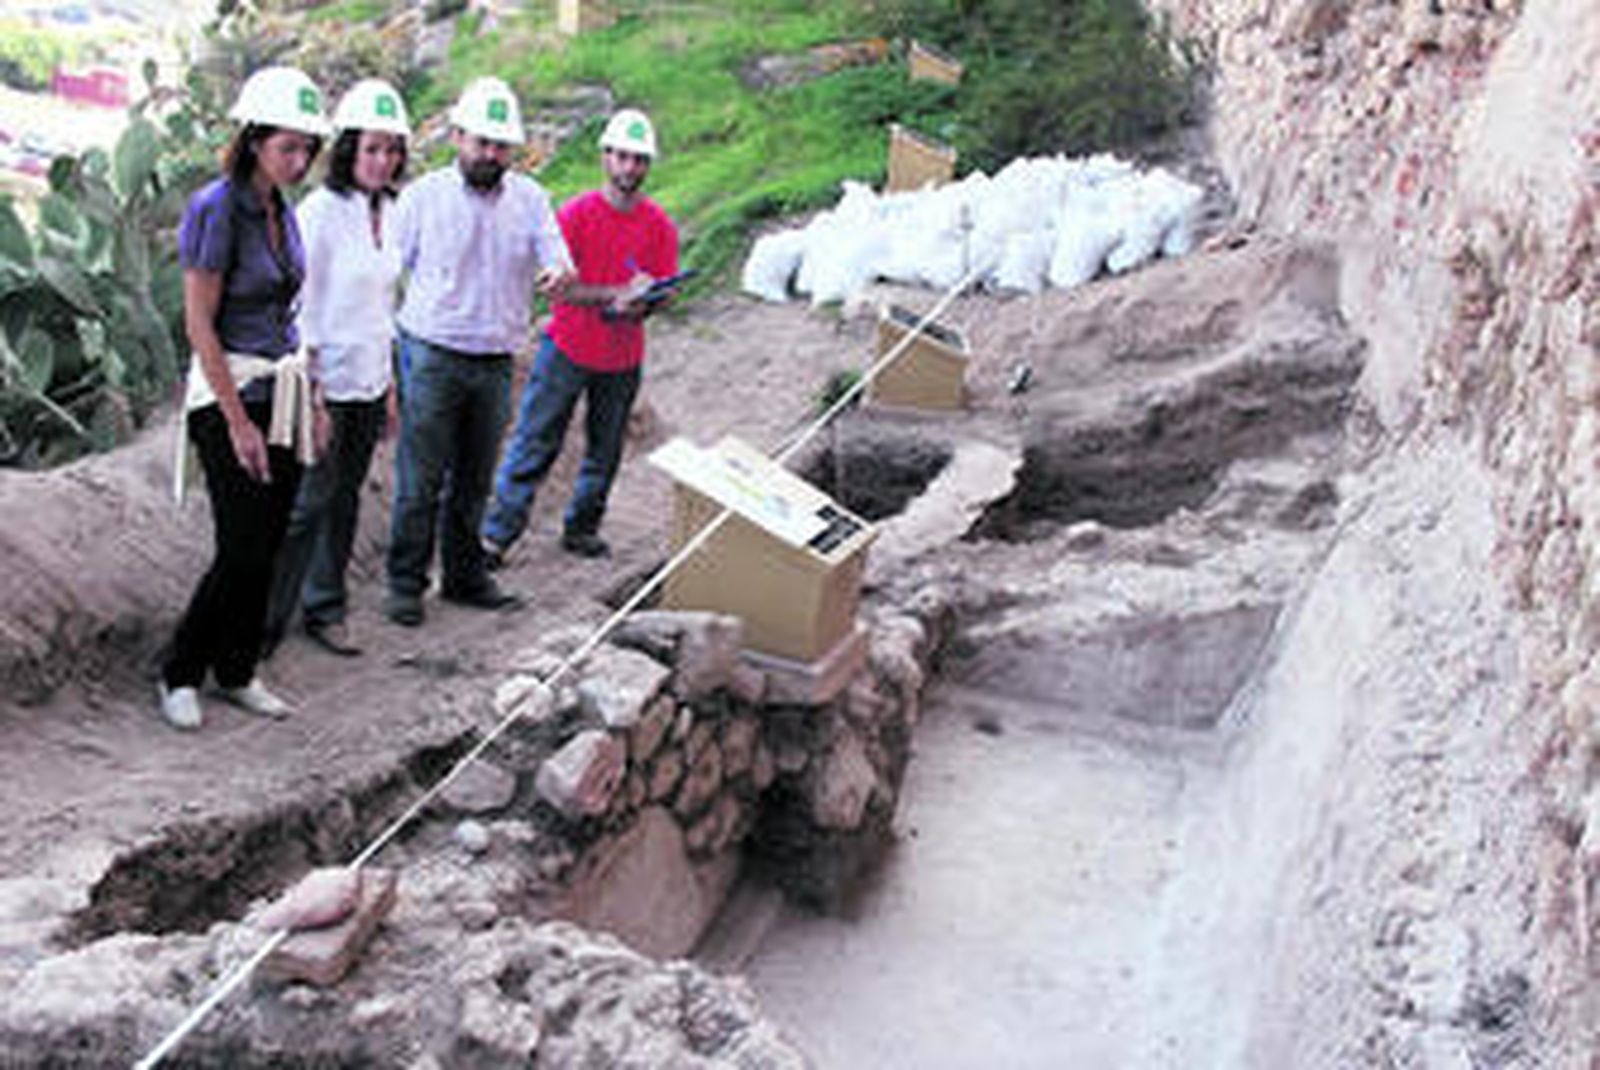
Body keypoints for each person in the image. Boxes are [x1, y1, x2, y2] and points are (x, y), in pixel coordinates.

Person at [159, 66, 331, 730]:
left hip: (280, 384)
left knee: (273, 534)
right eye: (288, 146)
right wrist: (235, 422)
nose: (299, 159)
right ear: (254, 138)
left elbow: (292, 315)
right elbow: (199, 321)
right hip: (228, 386)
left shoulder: (281, 212)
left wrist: (311, 398)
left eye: (306, 148)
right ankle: (180, 669)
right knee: (242, 544)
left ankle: (234, 670)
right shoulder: (216, 207)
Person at [383, 76, 574, 628]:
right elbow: (388, 269)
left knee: (473, 477)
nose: (490, 154)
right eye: (480, 142)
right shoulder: (422, 198)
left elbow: (558, 256)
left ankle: (465, 575)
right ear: (457, 136)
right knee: (420, 478)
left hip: (495, 358)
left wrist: (558, 274)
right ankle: (405, 582)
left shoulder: (531, 200)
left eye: (500, 146)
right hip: (432, 352)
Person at [480, 108, 679, 564]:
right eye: (622, 156)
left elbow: (666, 290)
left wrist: (650, 301)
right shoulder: (574, 216)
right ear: (605, 156)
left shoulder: (658, 226)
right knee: (535, 439)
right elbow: (557, 285)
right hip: (567, 347)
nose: (630, 167)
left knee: (606, 450)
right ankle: (497, 535)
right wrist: (614, 297)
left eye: (639, 159)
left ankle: (582, 528)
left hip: (623, 355)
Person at [263, 80, 410, 659]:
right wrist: (316, 393)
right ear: (348, 148)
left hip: (371, 379)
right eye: (373, 148)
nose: (383, 161)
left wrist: (392, 384)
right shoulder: (319, 213)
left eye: (393, 150)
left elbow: (386, 304)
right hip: (323, 380)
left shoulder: (393, 212)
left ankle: (326, 608)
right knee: (306, 504)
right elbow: (301, 305)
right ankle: (265, 622)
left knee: (345, 498)